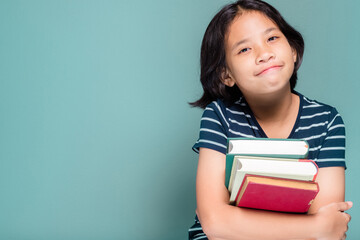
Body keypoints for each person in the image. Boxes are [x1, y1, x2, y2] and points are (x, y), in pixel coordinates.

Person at [188, 0, 352, 239]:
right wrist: (314, 226)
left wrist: (234, 222)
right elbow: (214, 223)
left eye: (272, 38)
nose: (264, 54)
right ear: (226, 74)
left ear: (293, 51)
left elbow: (328, 227)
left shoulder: (327, 121)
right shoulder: (219, 116)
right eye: (244, 49)